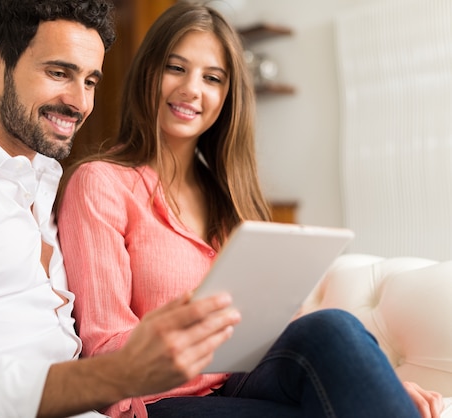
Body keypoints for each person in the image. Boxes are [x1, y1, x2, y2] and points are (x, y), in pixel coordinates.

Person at [56, 2, 444, 418]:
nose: (192, 89)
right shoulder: (100, 183)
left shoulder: (229, 194)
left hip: (244, 378)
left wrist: (371, 380)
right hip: (163, 400)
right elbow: (105, 344)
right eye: (176, 68)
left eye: (212, 78)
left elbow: (283, 323)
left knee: (333, 326)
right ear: (148, 72)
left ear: (227, 95)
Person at [0, 1, 244, 417]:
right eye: (58, 73)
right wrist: (123, 372)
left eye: (90, 81)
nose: (79, 102)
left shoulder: (38, 185)